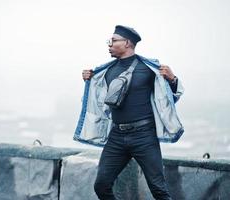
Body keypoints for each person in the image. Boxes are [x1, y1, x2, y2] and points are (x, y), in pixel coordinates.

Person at [74, 25, 184, 200]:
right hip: (116, 136)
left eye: (113, 40)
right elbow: (96, 99)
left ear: (127, 43)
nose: (109, 44)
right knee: (101, 186)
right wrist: (90, 80)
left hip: (144, 136)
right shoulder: (106, 71)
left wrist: (173, 79)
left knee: (159, 190)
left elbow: (170, 98)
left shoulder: (149, 68)